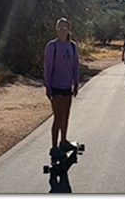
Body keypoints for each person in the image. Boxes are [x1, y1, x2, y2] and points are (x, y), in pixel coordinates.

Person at [43, 17, 79, 158]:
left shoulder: (73, 46)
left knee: (65, 116)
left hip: (67, 86)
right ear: (57, 29)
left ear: (68, 30)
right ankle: (54, 147)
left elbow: (76, 66)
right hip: (55, 86)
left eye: (65, 27)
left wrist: (76, 83)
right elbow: (48, 67)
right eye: (60, 27)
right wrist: (48, 86)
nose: (63, 30)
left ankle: (63, 141)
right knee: (58, 116)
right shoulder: (52, 46)